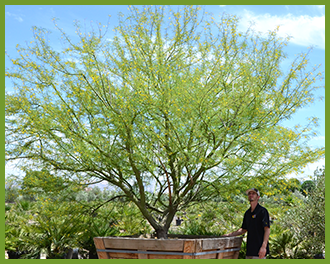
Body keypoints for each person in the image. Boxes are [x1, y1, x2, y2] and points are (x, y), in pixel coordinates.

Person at [223, 188, 270, 259]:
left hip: (260, 252)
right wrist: (229, 235)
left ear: (258, 197)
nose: (251, 195)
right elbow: (243, 229)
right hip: (249, 250)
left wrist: (264, 247)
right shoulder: (247, 213)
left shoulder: (262, 211)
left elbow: (267, 229)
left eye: (253, 193)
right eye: (249, 194)